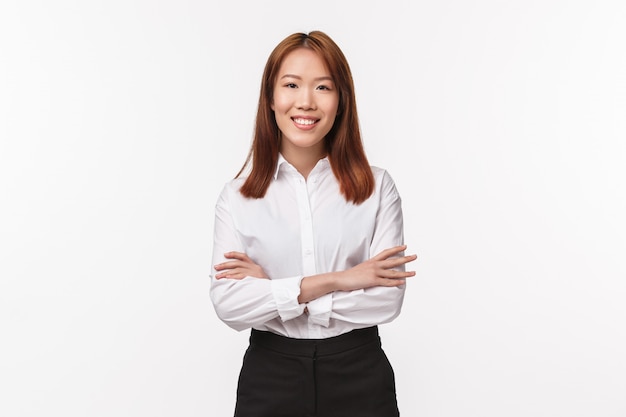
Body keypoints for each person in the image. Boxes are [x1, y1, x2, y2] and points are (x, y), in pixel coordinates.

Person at [210, 30, 416, 417]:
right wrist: (342, 278)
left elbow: (387, 299)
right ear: (270, 98)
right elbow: (229, 306)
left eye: (323, 86)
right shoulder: (236, 198)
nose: (305, 101)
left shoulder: (376, 188)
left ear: (341, 101)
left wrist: (273, 292)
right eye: (291, 84)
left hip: (359, 372)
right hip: (270, 375)